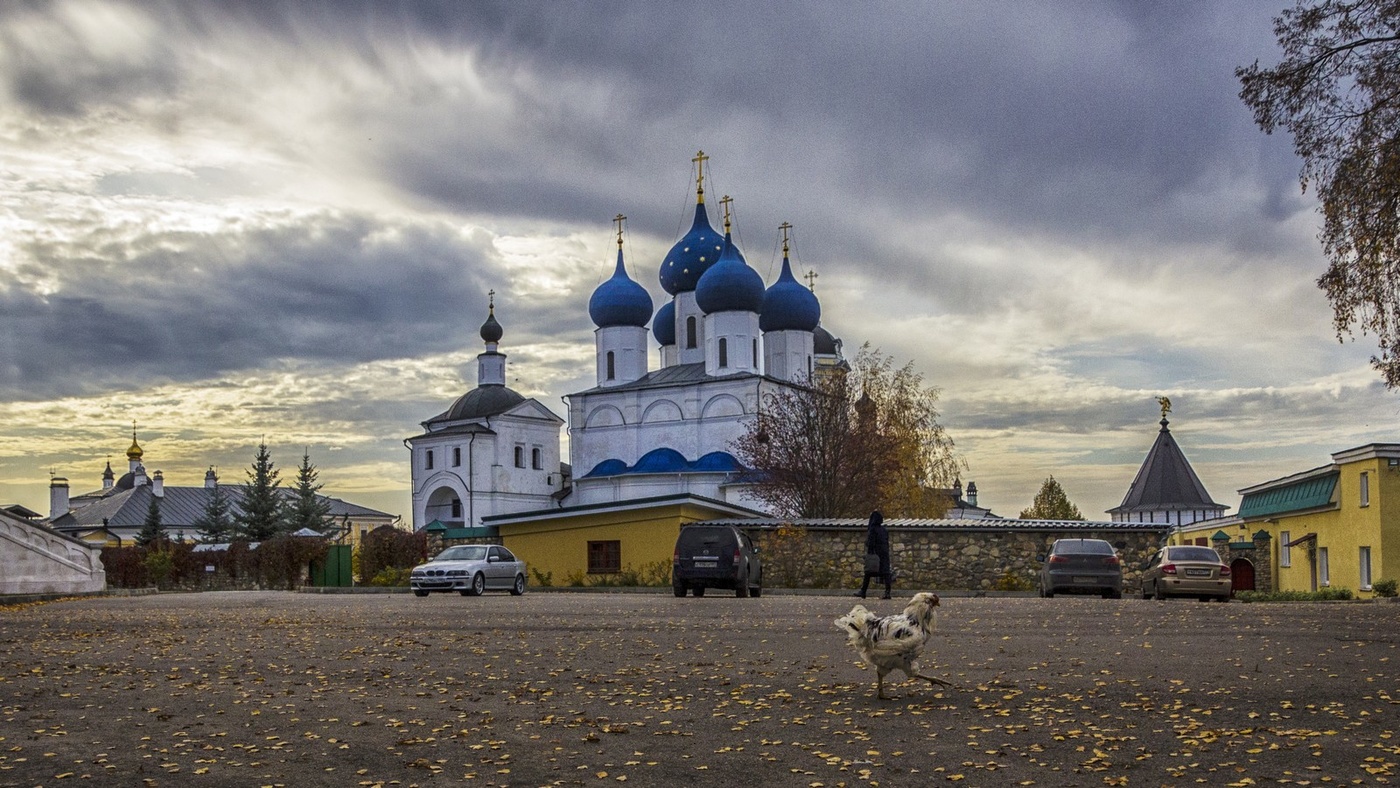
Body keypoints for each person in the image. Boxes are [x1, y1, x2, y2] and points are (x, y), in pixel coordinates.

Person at [857, 510, 892, 599]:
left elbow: (871, 543)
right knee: (886, 573)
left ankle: (863, 591)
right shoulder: (884, 530)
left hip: (875, 554)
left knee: (868, 572)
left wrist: (869, 549)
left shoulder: (872, 529)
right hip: (884, 554)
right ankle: (887, 592)